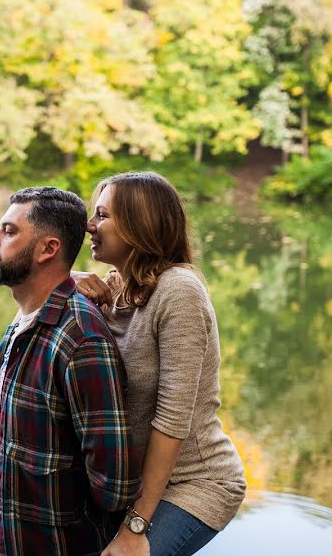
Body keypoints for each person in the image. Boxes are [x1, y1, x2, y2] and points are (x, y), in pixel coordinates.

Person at [74, 172, 246, 556]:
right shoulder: (118, 284)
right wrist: (67, 280)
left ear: (139, 226)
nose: (89, 225)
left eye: (101, 215)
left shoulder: (179, 292)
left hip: (194, 483)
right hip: (136, 483)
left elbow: (172, 420)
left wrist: (136, 526)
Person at [0, 186, 142, 556]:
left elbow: (115, 485)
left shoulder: (81, 341)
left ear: (48, 249)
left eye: (9, 232)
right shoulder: (29, 316)